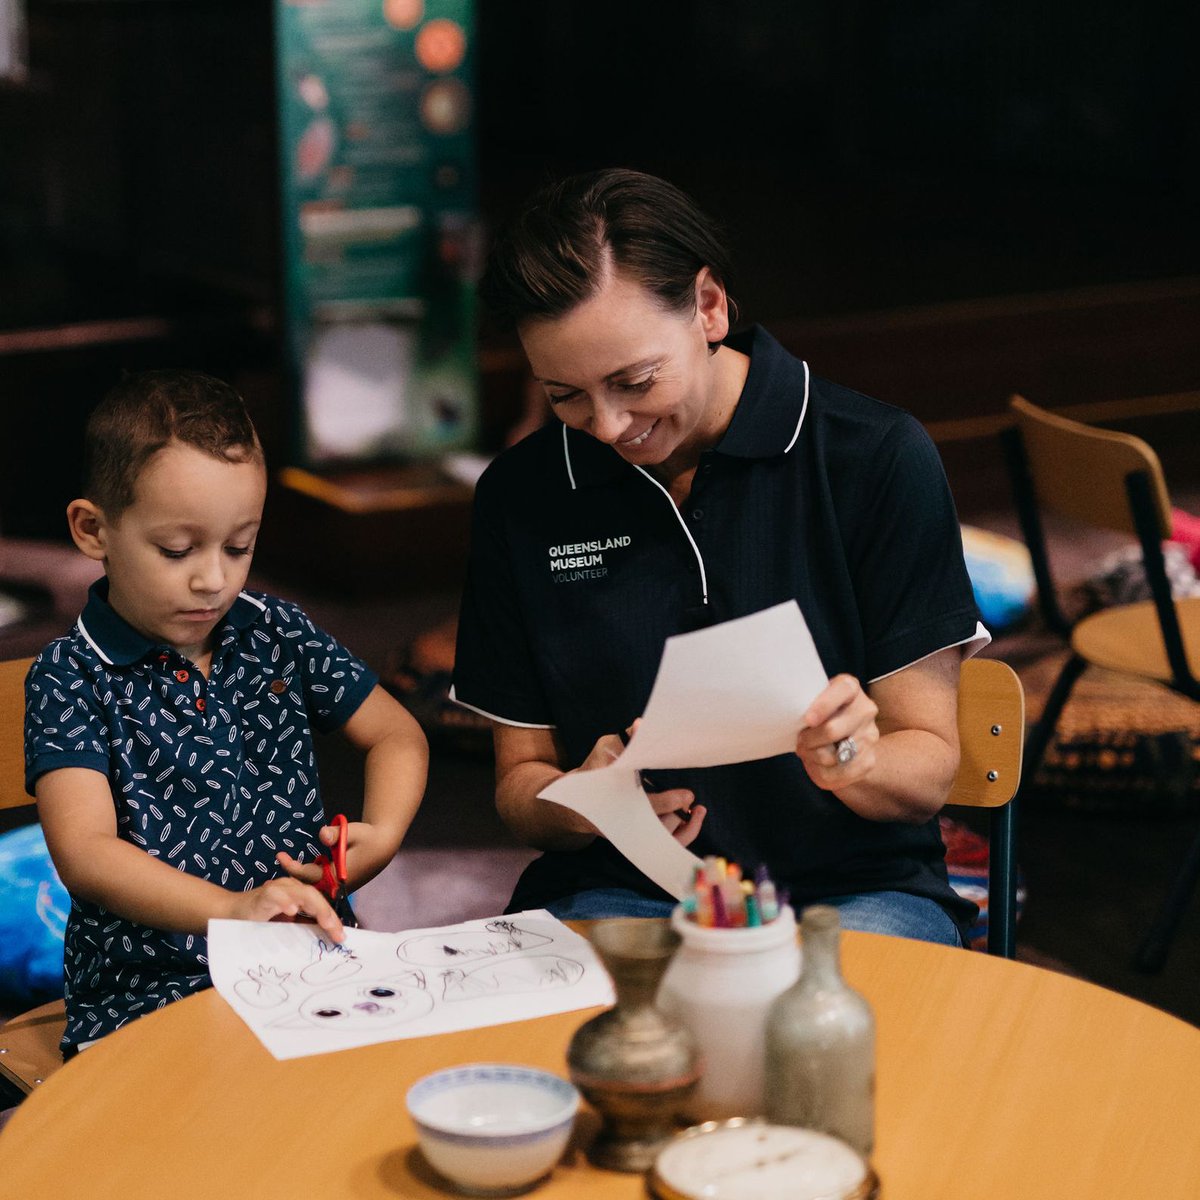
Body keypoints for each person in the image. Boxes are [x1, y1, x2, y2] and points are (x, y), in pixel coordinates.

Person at [450, 168, 990, 945]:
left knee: (825, 1045)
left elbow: (929, 766)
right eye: (564, 395)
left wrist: (854, 762)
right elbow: (518, 787)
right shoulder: (523, 496)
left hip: (854, 891)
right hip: (624, 886)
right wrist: (586, 797)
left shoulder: (870, 457)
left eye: (634, 381)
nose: (606, 427)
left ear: (708, 306)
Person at [24, 370, 429, 1053]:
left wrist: (383, 833)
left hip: (309, 961)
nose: (214, 578)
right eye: (177, 550)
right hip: (147, 990)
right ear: (93, 530)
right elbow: (85, 853)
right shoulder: (71, 676)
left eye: (239, 546)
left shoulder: (275, 630)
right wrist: (233, 911)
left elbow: (396, 734)